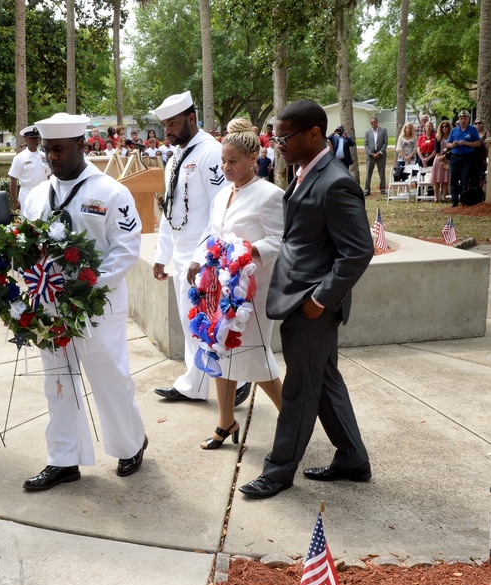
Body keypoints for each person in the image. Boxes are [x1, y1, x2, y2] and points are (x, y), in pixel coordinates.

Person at [239, 100, 374, 500]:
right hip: (297, 298)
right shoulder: (304, 173)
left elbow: (358, 251)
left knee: (299, 390)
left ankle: (278, 472)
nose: (276, 143)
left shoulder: (336, 182)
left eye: (284, 137)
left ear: (314, 133)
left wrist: (320, 298)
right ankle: (352, 458)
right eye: (275, 136)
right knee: (326, 382)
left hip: (313, 305)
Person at [18, 112, 148, 491]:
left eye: (58, 150)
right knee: (57, 381)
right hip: (50, 305)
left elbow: (125, 249)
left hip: (98, 305)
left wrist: (88, 290)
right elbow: (31, 246)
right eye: (47, 151)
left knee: (109, 376)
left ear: (81, 145)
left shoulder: (111, 192)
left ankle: (130, 443)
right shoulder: (38, 195)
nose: (52, 158)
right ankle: (64, 458)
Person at [185, 119, 284, 450]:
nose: (226, 167)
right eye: (223, 161)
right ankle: (226, 422)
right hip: (218, 289)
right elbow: (211, 233)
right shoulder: (222, 194)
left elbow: (281, 240)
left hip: (251, 292)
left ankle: (292, 418)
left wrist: (248, 252)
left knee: (255, 355)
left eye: (233, 161)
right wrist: (199, 261)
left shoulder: (270, 195)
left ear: (253, 158)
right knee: (220, 349)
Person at [150, 91, 249, 407]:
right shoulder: (176, 157)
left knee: (212, 324)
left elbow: (220, 211)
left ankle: (241, 379)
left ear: (191, 119)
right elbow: (171, 212)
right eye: (165, 124)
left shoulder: (210, 153)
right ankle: (194, 384)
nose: (168, 130)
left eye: (173, 122)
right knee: (189, 322)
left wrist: (201, 256)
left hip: (205, 256)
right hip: (181, 255)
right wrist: (161, 256)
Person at [8, 124, 51, 210]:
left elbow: (49, 176)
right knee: (27, 221)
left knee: (44, 220)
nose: (35, 141)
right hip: (27, 194)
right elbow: (13, 180)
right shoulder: (19, 158)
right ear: (26, 140)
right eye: (32, 138)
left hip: (43, 194)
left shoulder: (44, 156)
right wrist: (15, 200)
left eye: (36, 138)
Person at [446, 110, 480, 207]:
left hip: (467, 157)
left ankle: (464, 200)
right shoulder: (454, 130)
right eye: (461, 119)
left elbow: (477, 143)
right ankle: (454, 200)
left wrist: (466, 143)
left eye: (465, 119)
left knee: (464, 179)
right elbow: (448, 144)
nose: (463, 121)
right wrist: (453, 145)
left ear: (468, 119)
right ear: (459, 120)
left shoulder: (473, 130)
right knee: (454, 179)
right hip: (455, 156)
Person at [364, 116, 388, 195]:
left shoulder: (383, 131)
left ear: (377, 122)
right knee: (368, 173)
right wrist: (371, 153)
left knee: (382, 173)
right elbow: (366, 144)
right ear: (370, 124)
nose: (373, 123)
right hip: (370, 156)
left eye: (374, 122)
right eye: (372, 122)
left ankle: (383, 189)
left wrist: (380, 152)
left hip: (381, 155)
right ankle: (367, 190)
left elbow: (385, 142)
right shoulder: (367, 132)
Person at [431, 120, 452, 202]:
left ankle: (444, 197)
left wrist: (444, 157)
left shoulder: (451, 137)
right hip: (438, 159)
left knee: (445, 179)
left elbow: (451, 149)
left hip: (447, 159)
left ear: (449, 127)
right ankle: (436, 197)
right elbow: (437, 150)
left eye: (446, 126)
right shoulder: (438, 138)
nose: (444, 128)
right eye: (442, 127)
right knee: (437, 179)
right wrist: (440, 159)